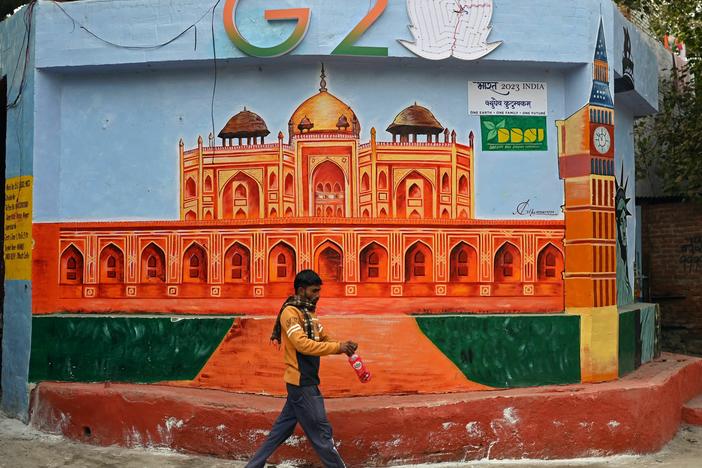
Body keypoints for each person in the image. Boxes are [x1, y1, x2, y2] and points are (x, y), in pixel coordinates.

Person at [246, 269, 357, 468]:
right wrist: (337, 348)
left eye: (318, 291)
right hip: (301, 382)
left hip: (304, 382)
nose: (318, 295)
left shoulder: (309, 314)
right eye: (314, 291)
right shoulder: (290, 313)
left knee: (280, 431)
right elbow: (302, 345)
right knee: (322, 434)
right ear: (301, 290)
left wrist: (343, 346)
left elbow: (323, 337)